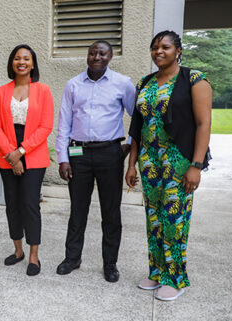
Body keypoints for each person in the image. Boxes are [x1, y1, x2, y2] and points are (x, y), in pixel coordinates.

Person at [126, 30, 212, 301]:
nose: (158, 51)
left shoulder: (193, 79)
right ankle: (156, 272)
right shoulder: (145, 83)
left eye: (165, 47)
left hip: (178, 160)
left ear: (178, 50)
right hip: (149, 161)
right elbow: (137, 127)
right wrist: (131, 165)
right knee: (154, 219)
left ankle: (175, 278)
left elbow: (203, 124)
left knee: (174, 219)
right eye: (154, 47)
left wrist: (196, 165)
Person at [54, 40, 136, 283]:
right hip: (78, 153)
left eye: (102, 53)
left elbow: (138, 118)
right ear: (87, 56)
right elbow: (64, 123)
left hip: (110, 152)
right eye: (92, 53)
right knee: (78, 210)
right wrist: (63, 158)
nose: (97, 57)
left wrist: (129, 144)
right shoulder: (73, 85)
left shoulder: (123, 83)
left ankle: (110, 263)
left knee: (111, 212)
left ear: (110, 56)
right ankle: (72, 258)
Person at [0, 44, 54, 276]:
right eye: (17, 58)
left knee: (29, 205)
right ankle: (18, 251)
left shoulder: (44, 90)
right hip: (7, 152)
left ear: (33, 63)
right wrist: (12, 155)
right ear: (12, 63)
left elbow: (46, 126)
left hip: (33, 154)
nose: (21, 62)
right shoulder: (1, 91)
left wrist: (21, 152)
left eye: (26, 58)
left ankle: (34, 256)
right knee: (13, 205)